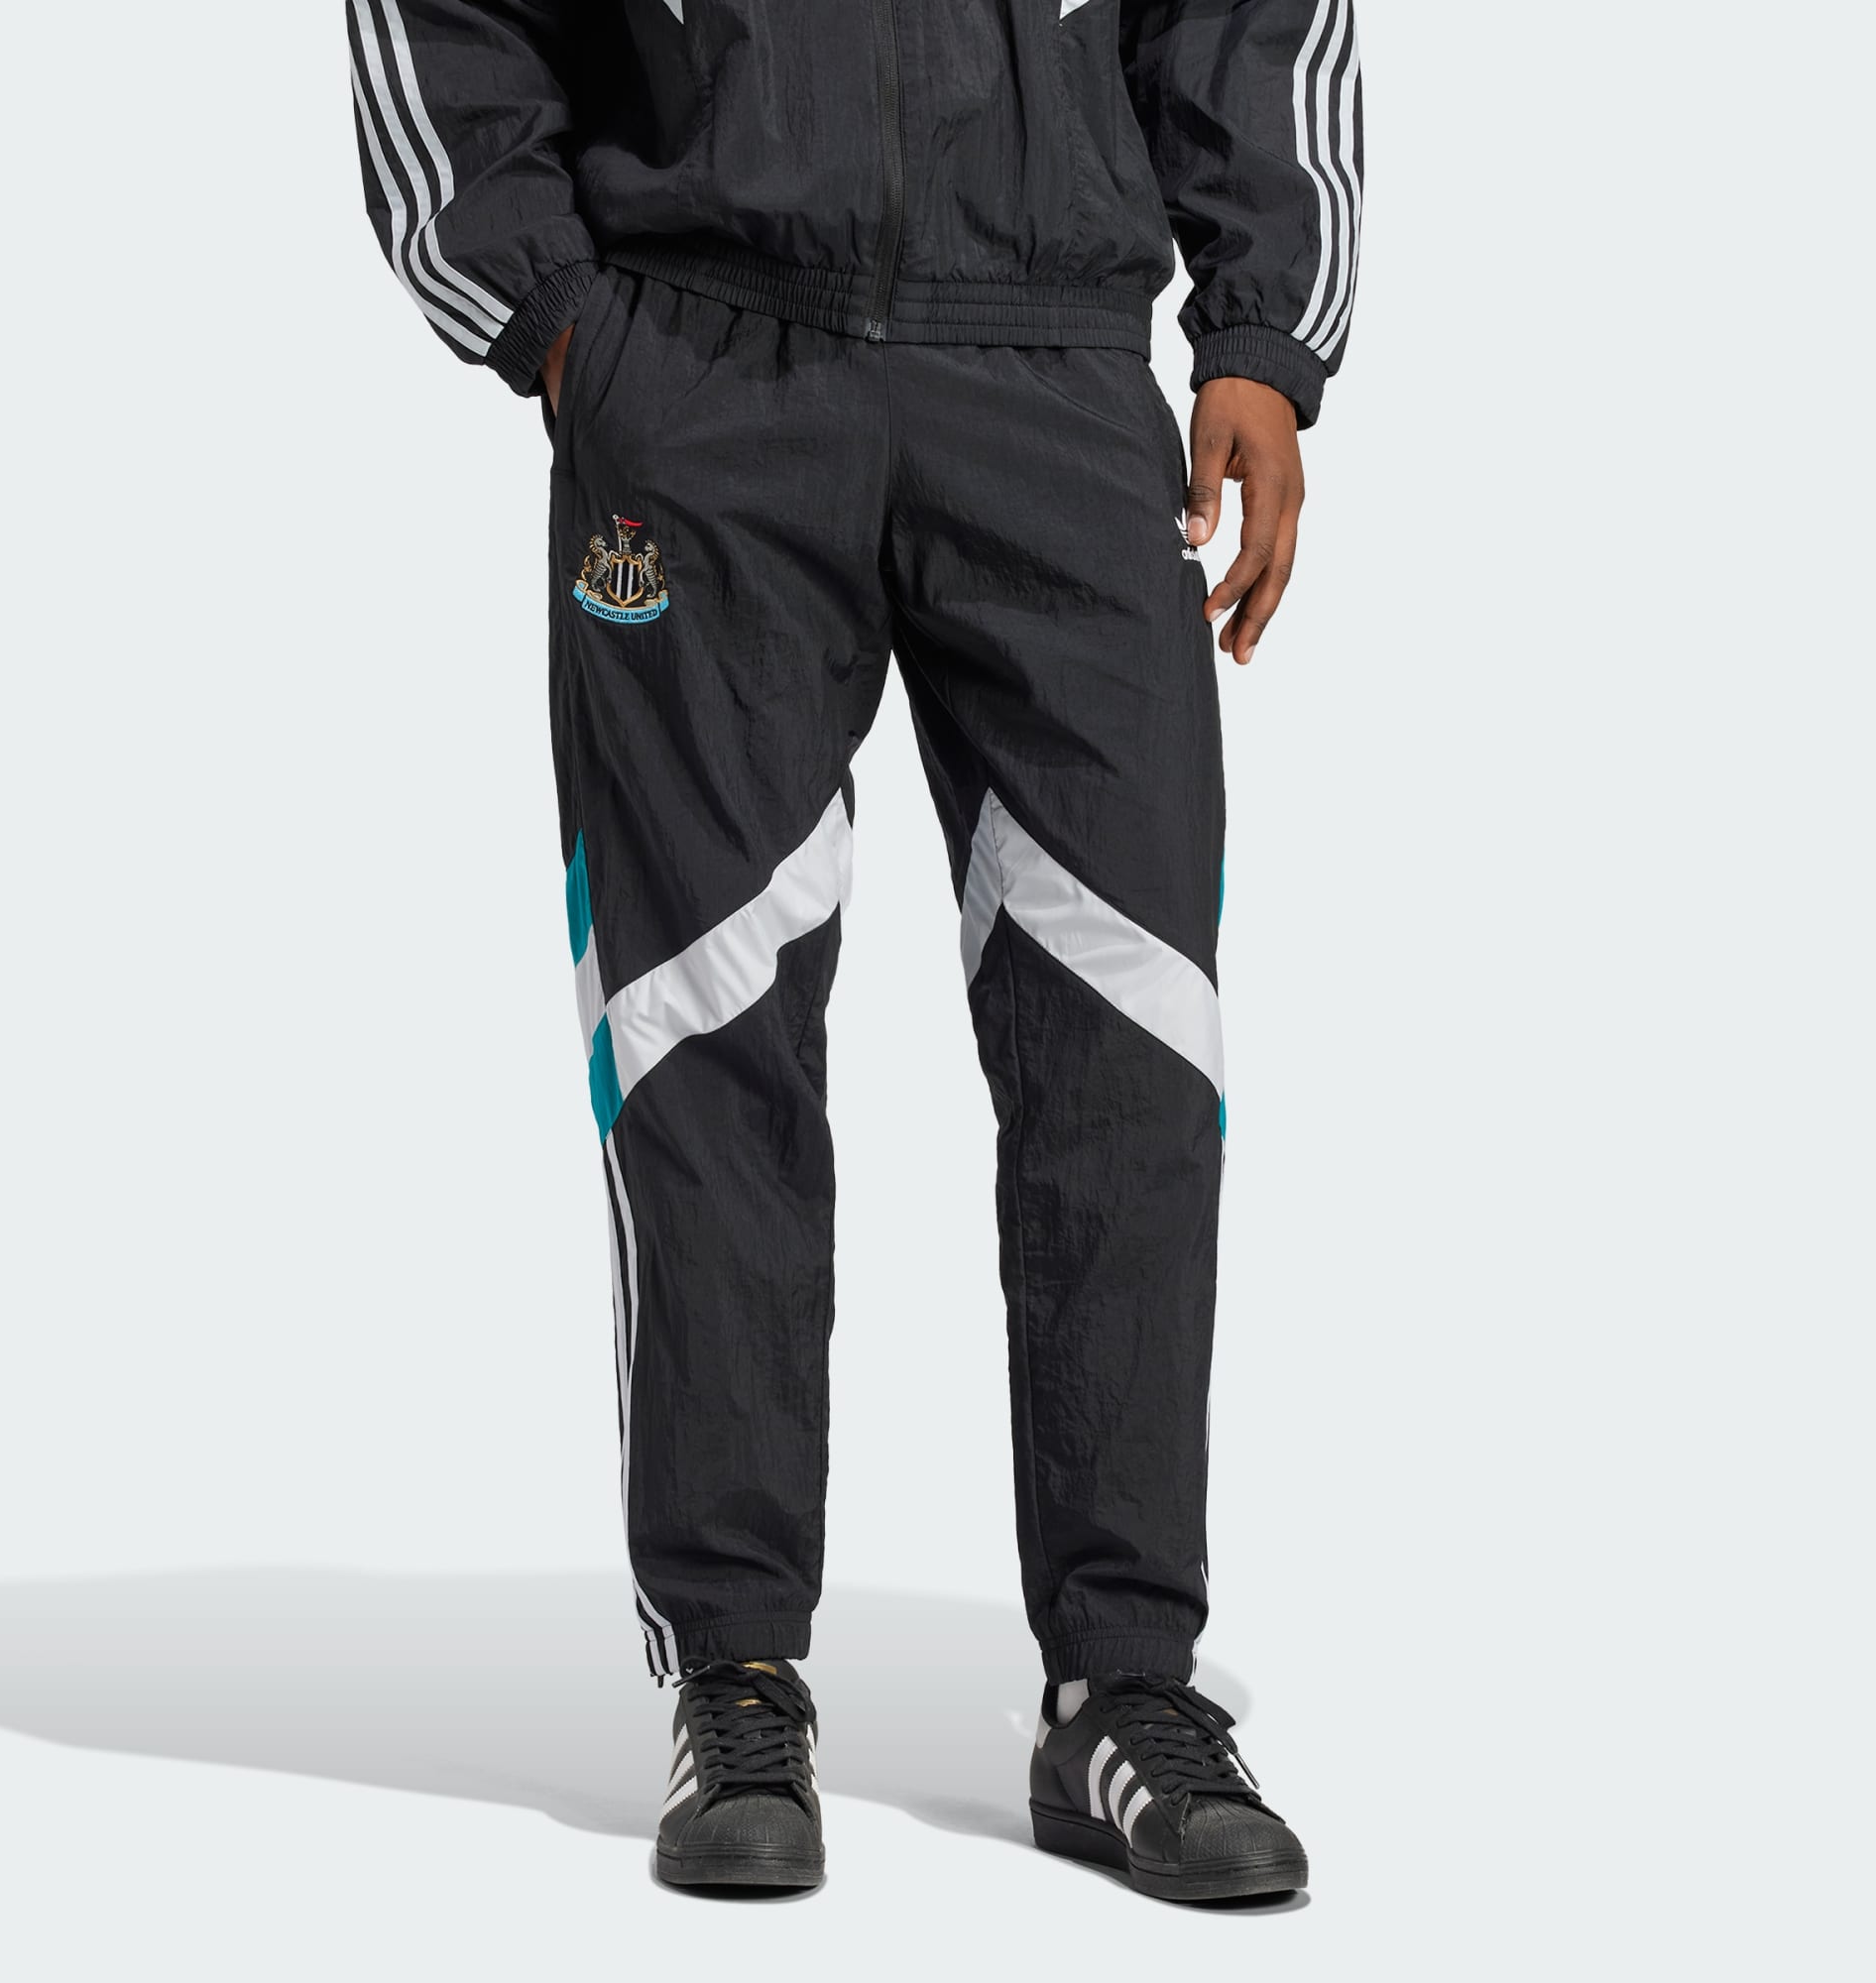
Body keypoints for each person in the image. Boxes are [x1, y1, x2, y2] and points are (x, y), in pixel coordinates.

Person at [346, 0, 1360, 1901]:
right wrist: (549, 310)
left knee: (1130, 1044)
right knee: (703, 1028)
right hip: (700, 370)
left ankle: (1127, 1686)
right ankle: (736, 1670)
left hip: (1059, 372)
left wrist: (1261, 333)